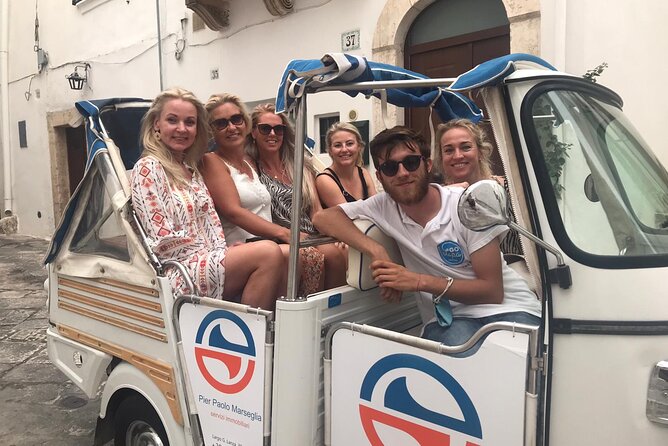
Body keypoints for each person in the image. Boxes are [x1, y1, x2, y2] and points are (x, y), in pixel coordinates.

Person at [313, 126, 540, 354]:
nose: (402, 173)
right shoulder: (383, 205)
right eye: (390, 168)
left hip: (508, 308)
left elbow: (492, 291)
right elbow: (323, 217)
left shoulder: (467, 206)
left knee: (517, 363)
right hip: (451, 320)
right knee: (454, 362)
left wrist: (417, 281)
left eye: (411, 162)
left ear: (428, 165)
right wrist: (377, 251)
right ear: (380, 176)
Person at [130, 87, 283, 310]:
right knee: (268, 252)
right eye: (172, 120)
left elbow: (212, 224)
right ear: (156, 125)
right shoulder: (148, 167)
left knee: (276, 253)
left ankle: (264, 330)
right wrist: (218, 255)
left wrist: (224, 251)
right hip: (179, 272)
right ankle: (247, 335)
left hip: (207, 262)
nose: (182, 129)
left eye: (190, 122)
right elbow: (162, 240)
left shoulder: (191, 171)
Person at [199, 95, 322, 296]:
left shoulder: (249, 162)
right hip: (242, 248)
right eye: (221, 123)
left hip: (267, 244)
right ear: (211, 130)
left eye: (236, 119)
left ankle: (312, 317)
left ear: (245, 123)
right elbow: (233, 212)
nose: (231, 127)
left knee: (321, 255)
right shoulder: (212, 161)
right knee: (300, 256)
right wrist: (285, 233)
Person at [249, 103, 347, 290]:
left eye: (278, 129)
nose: (272, 134)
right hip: (281, 237)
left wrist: (338, 233)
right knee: (319, 257)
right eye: (265, 128)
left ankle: (331, 312)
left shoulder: (300, 166)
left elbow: (316, 211)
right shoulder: (252, 169)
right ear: (253, 132)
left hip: (311, 234)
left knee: (338, 254)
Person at [435, 118, 522, 257]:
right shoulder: (437, 199)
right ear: (441, 157)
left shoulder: (511, 191)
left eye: (465, 147)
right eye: (449, 150)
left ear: (480, 152)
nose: (457, 156)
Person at [316, 122, 377, 208]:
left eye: (349, 144)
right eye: (338, 145)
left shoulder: (363, 173)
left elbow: (377, 208)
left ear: (359, 146)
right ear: (329, 150)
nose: (344, 149)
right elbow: (348, 216)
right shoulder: (325, 180)